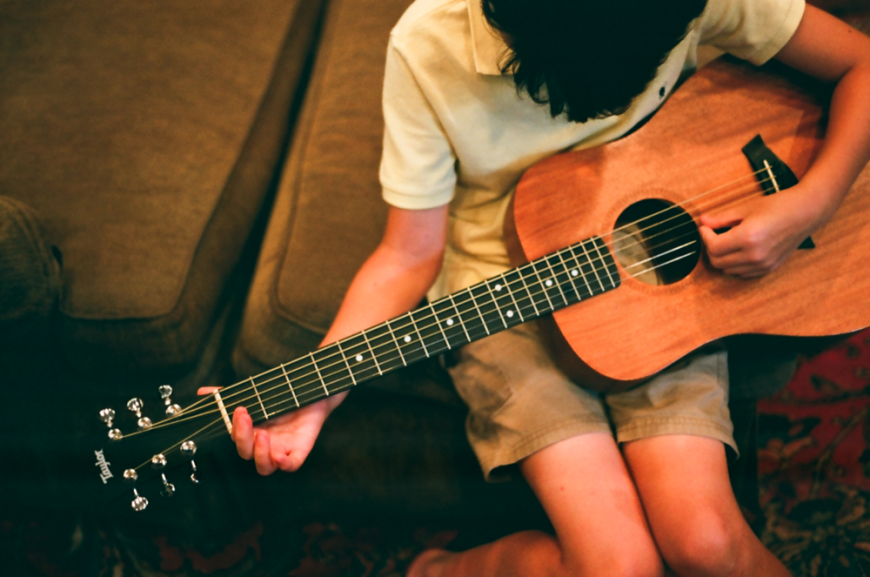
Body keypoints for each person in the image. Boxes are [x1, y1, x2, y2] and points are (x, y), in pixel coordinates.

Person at [221, 0, 870, 574]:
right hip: (499, 293)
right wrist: (322, 387)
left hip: (668, 282)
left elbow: (860, 65)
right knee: (621, 565)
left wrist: (811, 203)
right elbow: (405, 254)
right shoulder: (427, 42)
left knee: (706, 545)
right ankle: (439, 570)